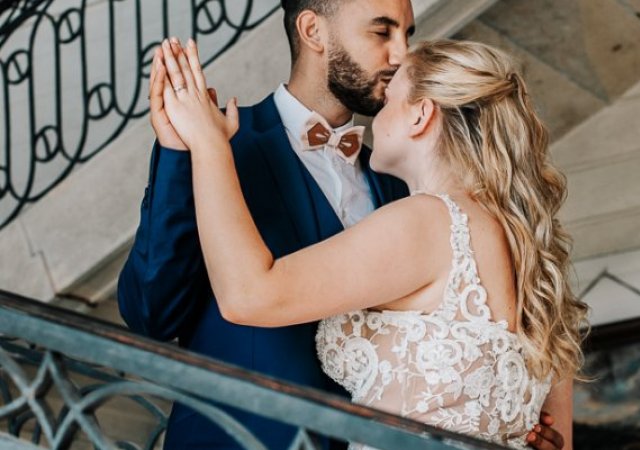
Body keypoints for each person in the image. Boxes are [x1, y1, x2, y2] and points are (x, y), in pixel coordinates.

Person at [119, 0, 568, 448]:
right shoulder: (216, 149)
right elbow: (152, 315)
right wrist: (188, 152)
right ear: (314, 31)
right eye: (382, 32)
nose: (399, 55)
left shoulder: (408, 189)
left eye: (406, 35)